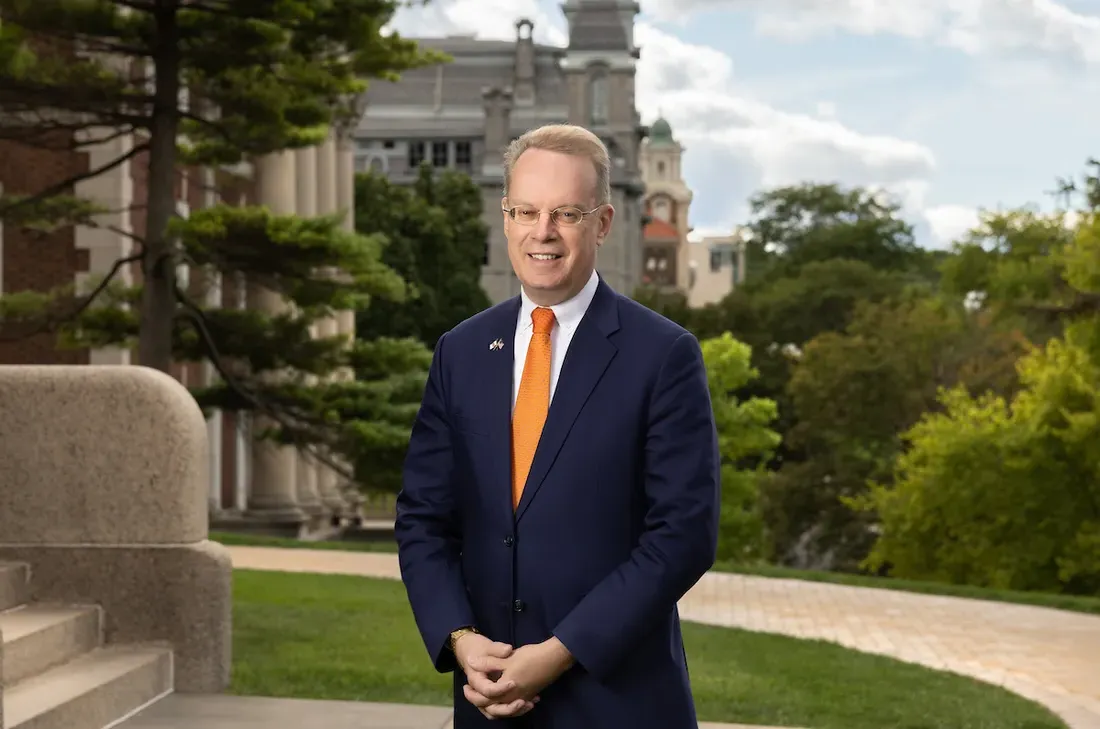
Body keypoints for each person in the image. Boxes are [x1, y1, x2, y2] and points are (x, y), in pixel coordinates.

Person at [394, 123, 720, 728]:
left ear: (601, 222)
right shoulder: (460, 351)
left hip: (618, 704)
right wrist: (461, 639)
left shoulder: (663, 355)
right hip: (487, 701)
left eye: (565, 213)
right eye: (526, 211)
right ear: (506, 216)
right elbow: (423, 518)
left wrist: (560, 652)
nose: (542, 232)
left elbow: (682, 537)